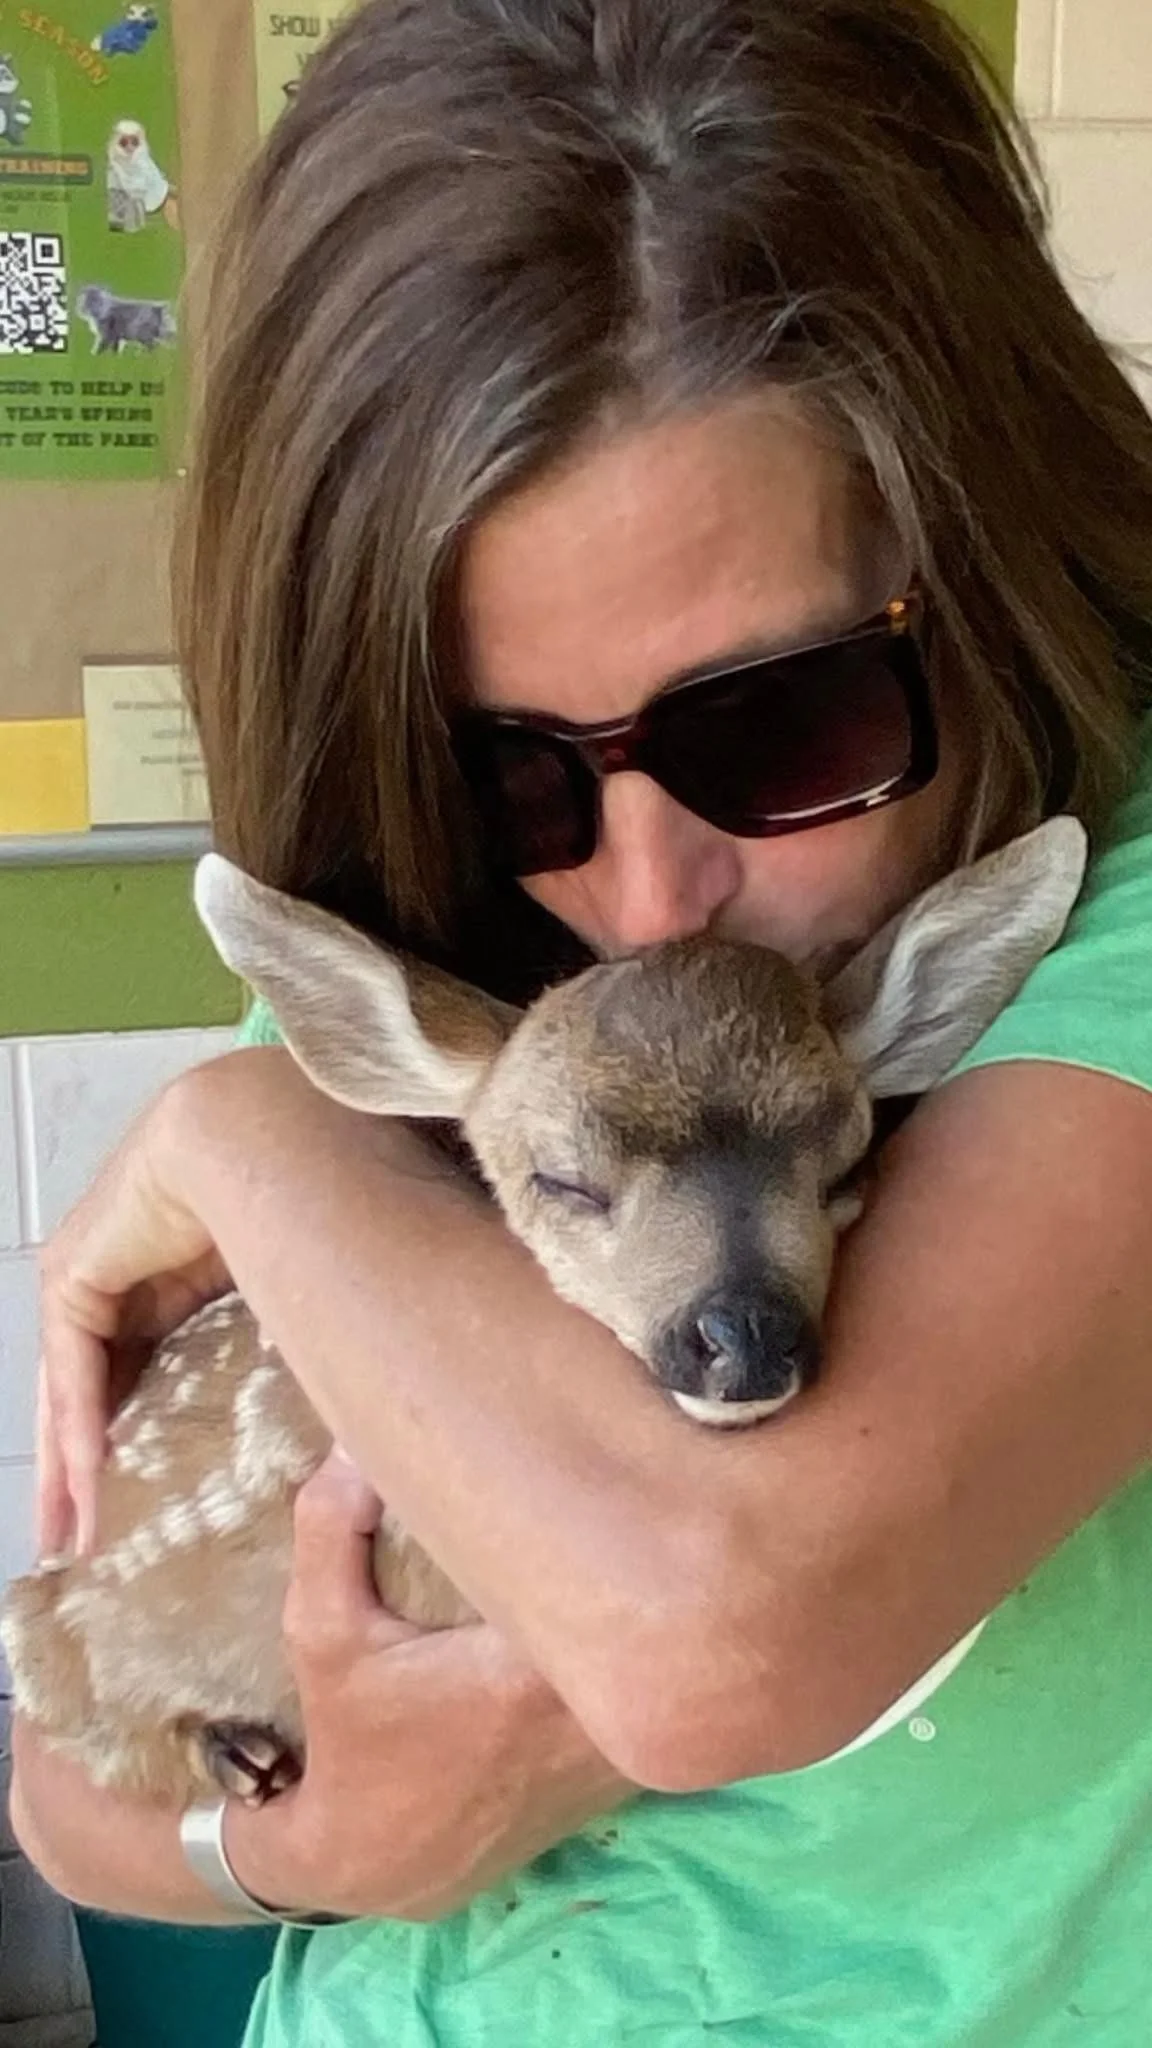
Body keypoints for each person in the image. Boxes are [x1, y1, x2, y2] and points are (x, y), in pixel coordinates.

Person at [13, 0, 1152, 2040]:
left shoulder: (1101, 938)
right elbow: (65, 1781)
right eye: (508, 773)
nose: (642, 899)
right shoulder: (467, 989)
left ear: (983, 560)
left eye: (782, 721)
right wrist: (314, 1843)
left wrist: (236, 1138)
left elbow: (717, 1638)